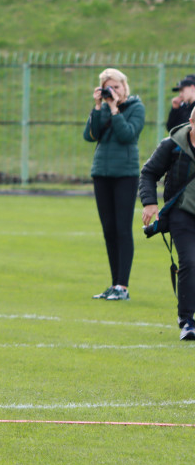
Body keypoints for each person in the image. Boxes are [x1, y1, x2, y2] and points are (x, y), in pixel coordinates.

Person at [84, 67, 145, 301]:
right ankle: (113, 284)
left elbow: (127, 135)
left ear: (124, 87)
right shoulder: (102, 107)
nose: (113, 91)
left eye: (116, 87)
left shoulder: (136, 108)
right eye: (109, 87)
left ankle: (123, 286)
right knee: (109, 230)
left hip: (125, 174)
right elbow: (90, 135)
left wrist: (114, 109)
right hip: (101, 172)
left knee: (122, 228)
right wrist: (98, 107)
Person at [140, 106, 195, 340]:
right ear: (192, 121)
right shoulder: (171, 145)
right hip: (181, 213)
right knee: (190, 262)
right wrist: (149, 202)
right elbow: (149, 172)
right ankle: (187, 320)